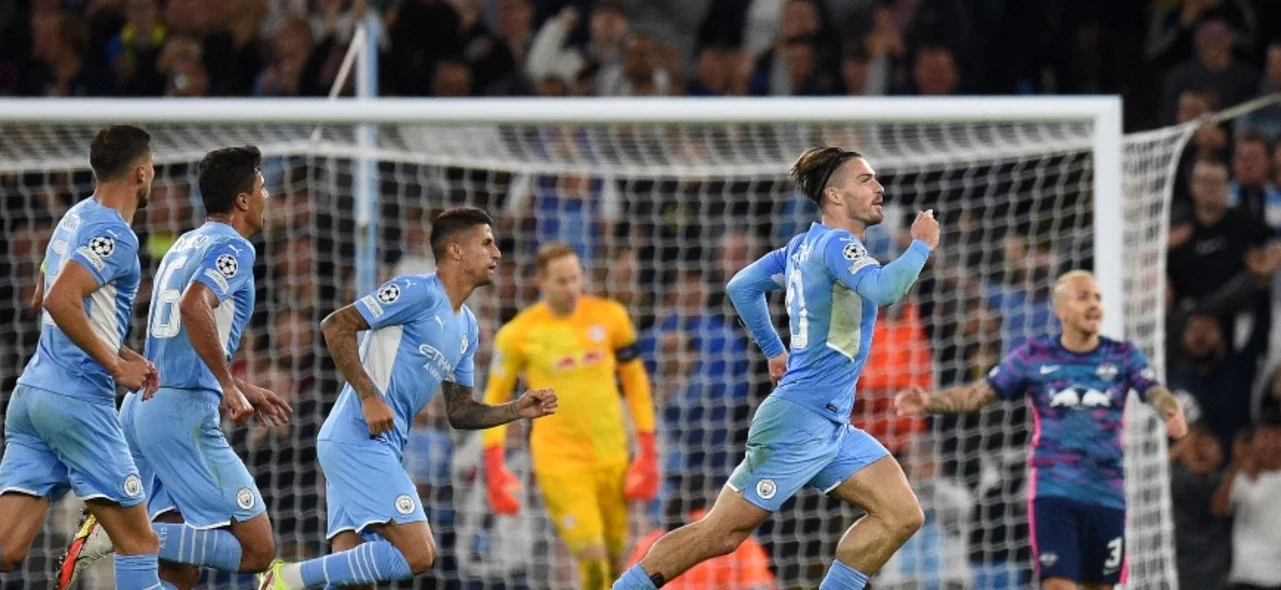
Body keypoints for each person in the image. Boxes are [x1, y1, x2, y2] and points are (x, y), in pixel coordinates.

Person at [614, 147, 939, 590]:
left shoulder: (802, 246)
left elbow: (741, 286)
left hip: (832, 423)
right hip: (798, 420)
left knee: (901, 514)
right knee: (720, 534)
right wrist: (921, 244)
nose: (879, 188)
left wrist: (773, 350)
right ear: (835, 196)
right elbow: (885, 289)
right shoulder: (839, 245)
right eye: (865, 180)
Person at [258, 207, 559, 589]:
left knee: (354, 579)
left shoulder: (466, 327)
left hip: (378, 446)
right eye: (486, 243)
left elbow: (461, 411)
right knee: (418, 554)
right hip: (356, 439)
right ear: (456, 251)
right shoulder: (416, 290)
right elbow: (336, 325)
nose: (497, 253)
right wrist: (369, 395)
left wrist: (516, 409)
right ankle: (288, 577)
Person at [59, 146, 294, 589]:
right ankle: (120, 533)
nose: (268, 194)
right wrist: (227, 386)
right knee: (258, 550)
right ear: (243, 200)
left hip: (144, 406)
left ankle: (126, 536)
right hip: (180, 417)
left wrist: (241, 385)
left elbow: (177, 343)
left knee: (180, 572)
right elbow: (192, 307)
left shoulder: (184, 243)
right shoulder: (234, 248)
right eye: (262, 187)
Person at [895, 270, 1189, 590]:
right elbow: (977, 395)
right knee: (1057, 584)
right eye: (1083, 297)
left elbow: (1153, 390)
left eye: (1097, 298)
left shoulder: (1123, 355)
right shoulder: (1033, 357)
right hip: (1053, 489)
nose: (1093, 305)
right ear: (1061, 310)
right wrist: (930, 400)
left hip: (1105, 489)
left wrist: (1169, 410)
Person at [0, 125, 165, 589]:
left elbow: (42, 296)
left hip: (33, 395)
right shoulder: (116, 235)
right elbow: (58, 301)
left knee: (7, 550)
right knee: (140, 543)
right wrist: (115, 366)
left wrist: (124, 352)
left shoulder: (72, 218)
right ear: (142, 171)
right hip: (77, 402)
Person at [483, 241, 658, 589]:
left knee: (617, 562)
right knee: (592, 561)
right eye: (562, 281)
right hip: (560, 463)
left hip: (612, 455)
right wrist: (494, 468)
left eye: (576, 278)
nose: (572, 288)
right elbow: (494, 399)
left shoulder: (611, 317)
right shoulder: (519, 334)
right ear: (541, 282)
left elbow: (636, 384)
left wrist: (648, 452)